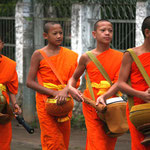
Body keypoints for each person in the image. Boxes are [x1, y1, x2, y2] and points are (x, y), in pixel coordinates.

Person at [68, 19, 123, 150]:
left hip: (112, 104)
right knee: (96, 141)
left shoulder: (121, 57)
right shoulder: (87, 57)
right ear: (94, 34)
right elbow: (74, 78)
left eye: (110, 30)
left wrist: (105, 96)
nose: (107, 33)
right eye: (103, 30)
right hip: (91, 104)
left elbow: (119, 83)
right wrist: (71, 88)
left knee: (109, 141)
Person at [26, 22, 79, 150]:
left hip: (65, 101)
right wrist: (54, 93)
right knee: (52, 139)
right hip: (45, 102)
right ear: (45, 35)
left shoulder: (71, 55)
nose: (59, 36)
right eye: (54, 33)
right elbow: (30, 82)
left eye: (60, 33)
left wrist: (65, 91)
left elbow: (75, 79)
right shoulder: (38, 54)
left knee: (64, 138)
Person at [118, 16, 150, 150]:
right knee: (140, 146)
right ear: (147, 32)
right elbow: (120, 83)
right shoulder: (131, 54)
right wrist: (141, 94)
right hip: (138, 109)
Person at [0, 36, 21, 150]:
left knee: (4, 138)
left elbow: (11, 88)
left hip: (3, 106)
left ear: (2, 45)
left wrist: (15, 104)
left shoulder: (9, 64)